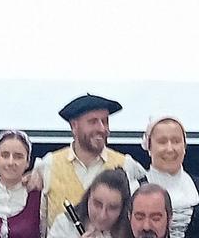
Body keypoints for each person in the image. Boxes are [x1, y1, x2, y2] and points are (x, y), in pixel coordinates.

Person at [35, 93, 146, 231]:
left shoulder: (127, 165)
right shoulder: (49, 164)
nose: (102, 128)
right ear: (74, 126)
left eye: (105, 121)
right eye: (93, 122)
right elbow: (41, 222)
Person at [139, 116, 199, 238]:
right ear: (149, 146)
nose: (170, 148)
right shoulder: (134, 189)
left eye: (176, 141)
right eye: (162, 142)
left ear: (184, 146)